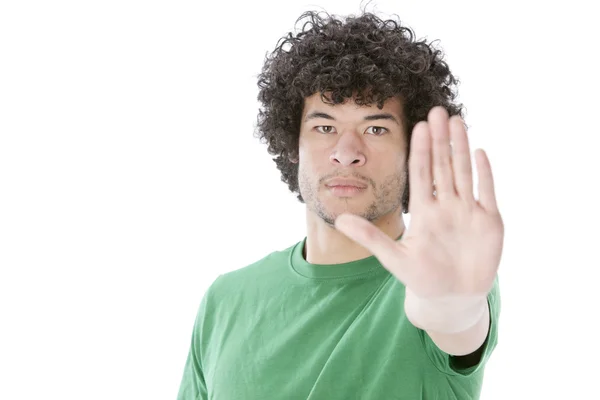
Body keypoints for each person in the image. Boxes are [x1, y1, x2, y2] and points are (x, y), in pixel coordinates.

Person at [177, 8, 503, 400]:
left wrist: (452, 305)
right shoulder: (225, 299)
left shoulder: (443, 274)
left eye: (376, 128)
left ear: (411, 150)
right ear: (291, 144)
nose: (346, 153)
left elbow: (455, 320)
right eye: (325, 127)